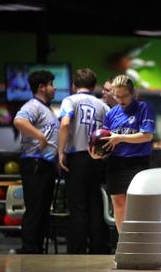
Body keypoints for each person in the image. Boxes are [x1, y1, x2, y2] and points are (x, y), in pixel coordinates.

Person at [89, 75, 155, 232]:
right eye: (117, 96)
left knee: (137, 205)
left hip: (138, 163)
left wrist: (120, 138)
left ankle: (138, 241)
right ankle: (123, 242)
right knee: (118, 204)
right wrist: (96, 153)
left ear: (133, 93)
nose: (121, 99)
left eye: (125, 95)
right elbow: (105, 140)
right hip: (116, 163)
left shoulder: (143, 108)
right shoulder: (111, 114)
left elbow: (147, 136)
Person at [58, 68, 111, 254]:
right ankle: (98, 247)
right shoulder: (102, 105)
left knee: (77, 205)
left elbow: (65, 123)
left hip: (76, 156)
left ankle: (77, 248)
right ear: (94, 85)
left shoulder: (70, 100)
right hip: (97, 158)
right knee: (95, 204)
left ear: (74, 85)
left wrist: (60, 151)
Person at [13, 70, 59, 254]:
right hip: (34, 163)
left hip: (45, 164)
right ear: (41, 87)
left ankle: (37, 247)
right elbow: (19, 121)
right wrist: (40, 137)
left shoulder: (47, 109)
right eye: (51, 84)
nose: (54, 88)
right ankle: (29, 248)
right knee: (35, 207)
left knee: (42, 208)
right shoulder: (33, 105)